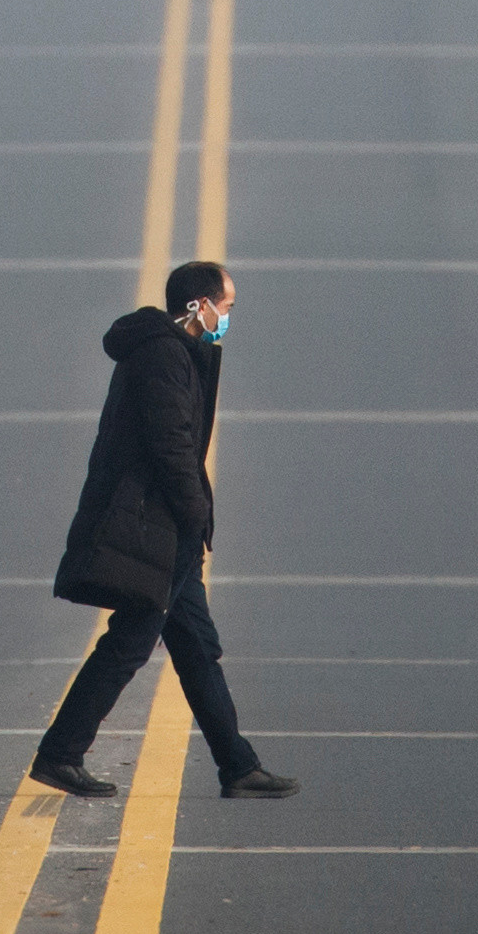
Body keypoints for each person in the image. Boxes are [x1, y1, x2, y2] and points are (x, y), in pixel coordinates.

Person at [30, 258, 295, 800]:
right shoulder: (163, 355)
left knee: (197, 647)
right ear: (199, 305)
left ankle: (239, 765)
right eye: (226, 306)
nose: (227, 316)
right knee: (130, 642)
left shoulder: (173, 351)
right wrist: (195, 513)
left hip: (167, 526)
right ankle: (60, 754)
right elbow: (170, 443)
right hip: (156, 526)